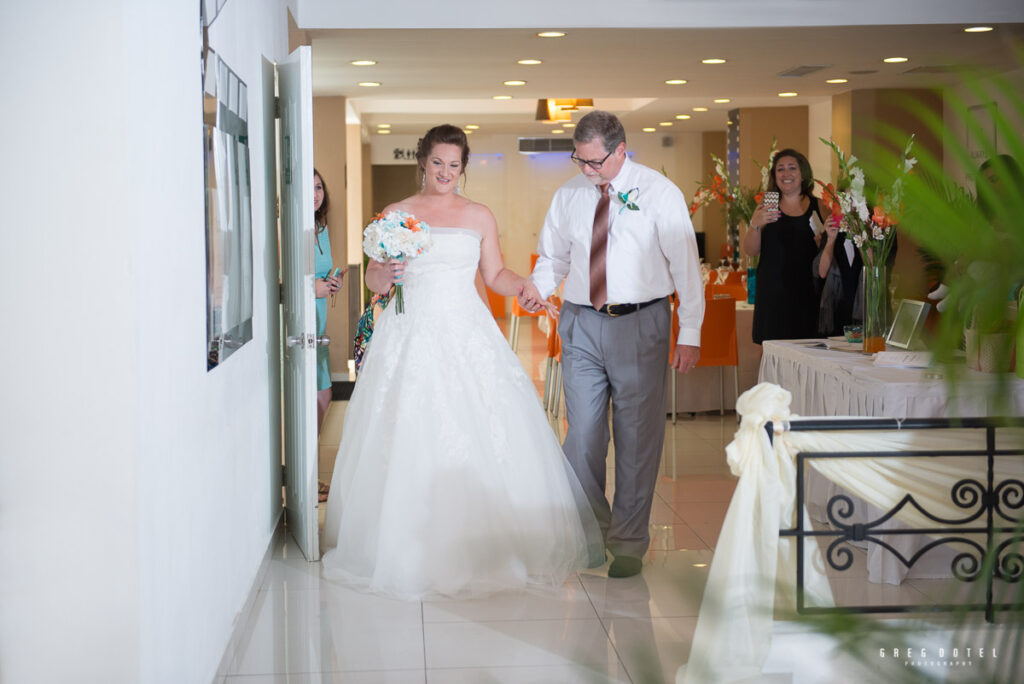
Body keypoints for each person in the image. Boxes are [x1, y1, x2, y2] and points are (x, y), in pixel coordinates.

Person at [321, 124, 602, 599]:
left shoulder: (478, 216)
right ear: (422, 163)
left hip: (466, 330)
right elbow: (373, 279)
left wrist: (525, 288)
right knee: (407, 429)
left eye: (454, 165)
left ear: (463, 168)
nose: (445, 173)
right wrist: (383, 272)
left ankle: (486, 545)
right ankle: (405, 546)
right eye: (437, 164)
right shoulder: (396, 214)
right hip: (408, 334)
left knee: (482, 425)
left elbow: (493, 274)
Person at [522, 110, 704, 578]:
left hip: (641, 323)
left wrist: (690, 333)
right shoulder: (569, 195)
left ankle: (628, 542)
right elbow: (553, 256)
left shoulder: (661, 194)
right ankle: (591, 532)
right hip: (581, 322)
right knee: (581, 435)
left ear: (621, 150)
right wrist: (539, 286)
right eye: (579, 160)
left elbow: (686, 268)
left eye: (594, 162)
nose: (586, 171)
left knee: (637, 436)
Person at [743, 148, 824, 343]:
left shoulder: (820, 206)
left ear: (803, 174)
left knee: (809, 351)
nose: (786, 174)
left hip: (808, 291)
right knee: (772, 353)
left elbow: (830, 247)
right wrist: (755, 224)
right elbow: (750, 251)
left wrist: (823, 242)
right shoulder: (766, 207)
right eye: (780, 169)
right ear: (774, 176)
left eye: (792, 168)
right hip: (773, 293)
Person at [313, 170, 344, 502]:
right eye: (308, 189)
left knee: (324, 397)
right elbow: (279, 276)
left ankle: (308, 473)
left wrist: (331, 281)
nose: (315, 194)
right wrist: (313, 287)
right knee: (310, 400)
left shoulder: (321, 226)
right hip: (298, 322)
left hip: (319, 321)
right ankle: (302, 479)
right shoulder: (291, 226)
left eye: (319, 187)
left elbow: (321, 272)